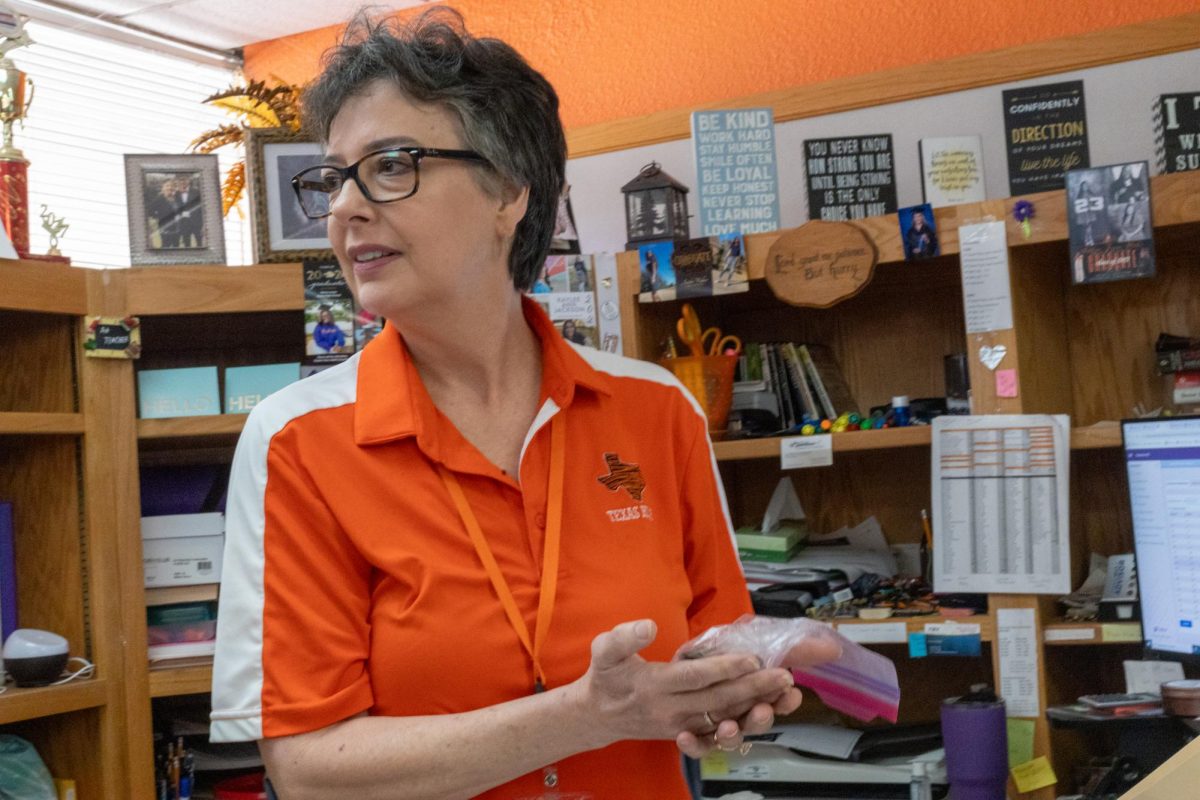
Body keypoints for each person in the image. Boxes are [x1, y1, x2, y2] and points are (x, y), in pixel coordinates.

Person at [210, 10, 837, 800]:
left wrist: (741, 681)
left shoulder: (657, 410)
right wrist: (589, 713)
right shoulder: (299, 441)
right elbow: (307, 770)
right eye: (333, 177)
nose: (345, 208)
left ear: (508, 191)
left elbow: (716, 642)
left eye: (391, 165)